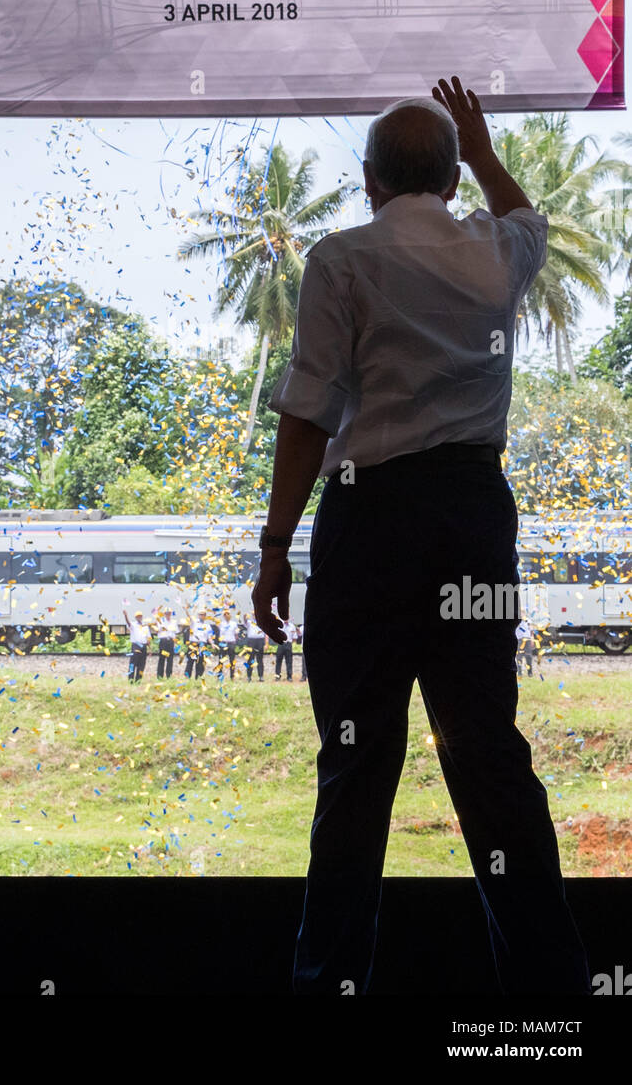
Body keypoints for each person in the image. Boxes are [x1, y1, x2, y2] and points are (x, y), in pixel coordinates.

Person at [252, 77, 591, 997]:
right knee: (488, 755)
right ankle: (553, 997)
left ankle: (328, 985)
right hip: (470, 520)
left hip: (368, 523)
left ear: (366, 182)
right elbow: (529, 217)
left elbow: (309, 414)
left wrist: (277, 545)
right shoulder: (497, 253)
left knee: (355, 767)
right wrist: (482, 151)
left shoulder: (340, 260)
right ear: (449, 180)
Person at [123, 601, 150, 683]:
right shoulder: (133, 625)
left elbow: (148, 638)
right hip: (136, 646)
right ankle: (131, 680)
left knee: (142, 664)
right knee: (133, 663)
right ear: (135, 618)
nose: (139, 617)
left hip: (143, 646)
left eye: (140, 616)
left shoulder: (145, 626)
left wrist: (150, 648)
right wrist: (126, 616)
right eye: (137, 616)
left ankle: (138, 680)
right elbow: (128, 623)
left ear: (142, 617)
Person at [155, 605, 179, 680]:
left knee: (170, 659)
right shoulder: (160, 621)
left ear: (171, 614)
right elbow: (157, 630)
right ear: (164, 614)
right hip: (163, 641)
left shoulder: (174, 622)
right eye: (166, 613)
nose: (168, 615)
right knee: (162, 659)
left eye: (169, 613)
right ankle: (160, 676)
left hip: (171, 641)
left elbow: (175, 633)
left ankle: (169, 675)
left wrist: (175, 643)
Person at [216, 607, 239, 680]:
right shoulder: (221, 624)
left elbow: (236, 634)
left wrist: (235, 641)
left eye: (228, 614)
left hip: (231, 643)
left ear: (230, 615)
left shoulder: (234, 624)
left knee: (232, 660)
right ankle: (219, 676)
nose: (226, 616)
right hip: (223, 643)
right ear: (223, 616)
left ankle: (232, 676)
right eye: (225, 614)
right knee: (221, 660)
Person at [244, 611, 266, 682]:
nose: (255, 616)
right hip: (251, 641)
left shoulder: (262, 622)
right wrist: (245, 616)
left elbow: (266, 633)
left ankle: (261, 676)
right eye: (253, 614)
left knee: (260, 659)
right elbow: (245, 621)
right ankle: (249, 676)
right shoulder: (249, 622)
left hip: (260, 640)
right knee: (250, 659)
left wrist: (266, 643)